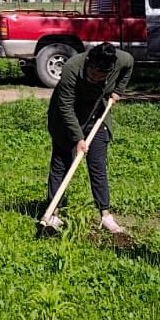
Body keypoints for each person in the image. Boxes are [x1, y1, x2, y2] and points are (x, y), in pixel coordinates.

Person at [43, 42, 133, 235]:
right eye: (93, 75)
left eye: (102, 77)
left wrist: (118, 91)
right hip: (65, 119)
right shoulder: (71, 69)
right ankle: (53, 213)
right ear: (89, 64)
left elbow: (130, 64)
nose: (96, 80)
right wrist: (78, 138)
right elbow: (65, 107)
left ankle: (106, 215)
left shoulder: (121, 60)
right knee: (61, 163)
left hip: (96, 116)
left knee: (97, 165)